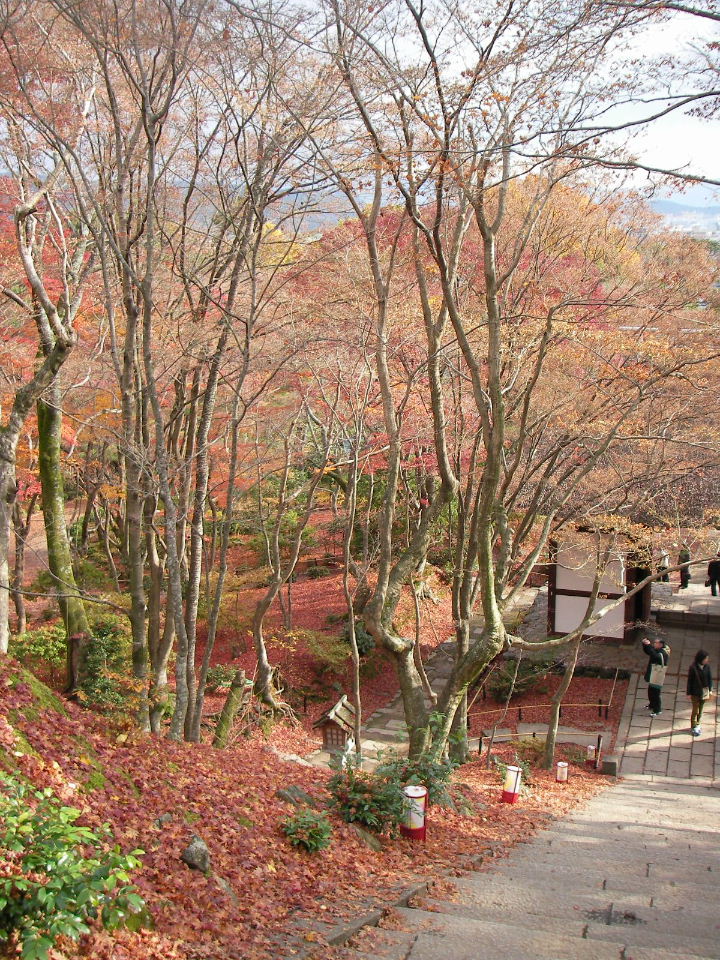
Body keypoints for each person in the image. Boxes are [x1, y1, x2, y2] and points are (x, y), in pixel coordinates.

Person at [641, 637, 670, 717]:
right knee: (651, 691)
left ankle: (657, 710)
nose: (654, 644)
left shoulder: (663, 653)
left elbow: (655, 655)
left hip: (657, 675)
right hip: (653, 673)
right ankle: (652, 705)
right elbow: (649, 652)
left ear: (660, 644)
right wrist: (645, 645)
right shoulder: (657, 649)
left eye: (655, 643)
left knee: (656, 693)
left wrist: (649, 645)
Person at [687, 649, 713, 737]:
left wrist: (710, 689)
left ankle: (698, 723)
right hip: (695, 692)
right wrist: (689, 693)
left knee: (701, 709)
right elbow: (690, 681)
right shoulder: (693, 667)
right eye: (705, 658)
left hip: (704, 692)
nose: (707, 660)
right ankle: (693, 726)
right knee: (695, 710)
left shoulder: (707, 667)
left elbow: (709, 678)